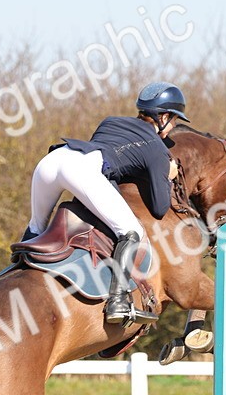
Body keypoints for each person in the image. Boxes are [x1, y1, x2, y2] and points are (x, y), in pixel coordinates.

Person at [24, 82, 190, 324]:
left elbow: (115, 158)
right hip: (80, 169)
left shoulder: (110, 121)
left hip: (52, 160)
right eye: (174, 120)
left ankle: (11, 275)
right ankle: (118, 301)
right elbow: (159, 207)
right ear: (163, 117)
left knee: (36, 227)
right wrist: (168, 174)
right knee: (131, 231)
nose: (173, 126)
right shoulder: (157, 147)